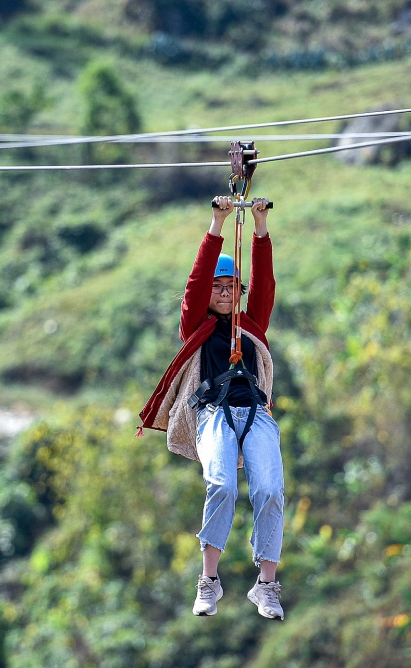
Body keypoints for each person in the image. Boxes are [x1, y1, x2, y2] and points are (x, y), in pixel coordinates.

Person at [138, 195, 285, 620]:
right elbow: (195, 283)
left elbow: (267, 285)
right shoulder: (195, 327)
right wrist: (217, 224)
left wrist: (259, 228)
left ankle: (267, 585)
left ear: (239, 293)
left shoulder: (251, 323)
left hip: (256, 414)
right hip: (214, 415)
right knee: (221, 486)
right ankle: (209, 581)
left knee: (270, 491)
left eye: (230, 288)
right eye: (218, 289)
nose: (223, 294)